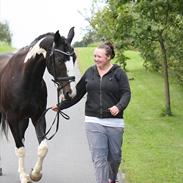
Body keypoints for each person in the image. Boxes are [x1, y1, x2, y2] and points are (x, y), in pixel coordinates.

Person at [52, 42, 131, 183]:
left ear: (108, 57)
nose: (95, 59)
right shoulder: (90, 72)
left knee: (115, 157)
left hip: (114, 122)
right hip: (93, 122)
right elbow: (77, 94)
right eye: (94, 56)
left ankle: (112, 178)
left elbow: (126, 93)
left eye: (99, 56)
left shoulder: (119, 73)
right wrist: (61, 106)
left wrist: (119, 107)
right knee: (99, 160)